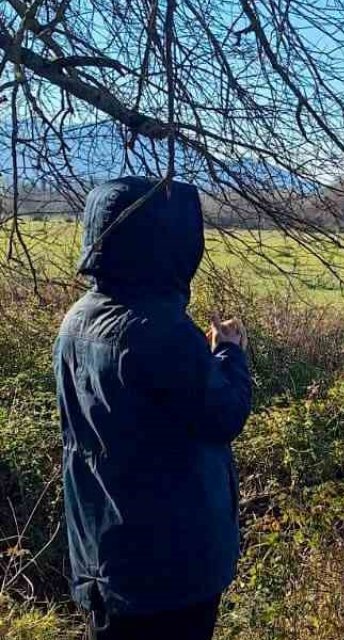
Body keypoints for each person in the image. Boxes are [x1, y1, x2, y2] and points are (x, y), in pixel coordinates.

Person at [54, 177, 253, 640]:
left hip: (103, 554)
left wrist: (199, 360)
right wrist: (229, 352)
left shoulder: (78, 318)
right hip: (169, 570)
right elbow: (225, 414)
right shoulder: (159, 329)